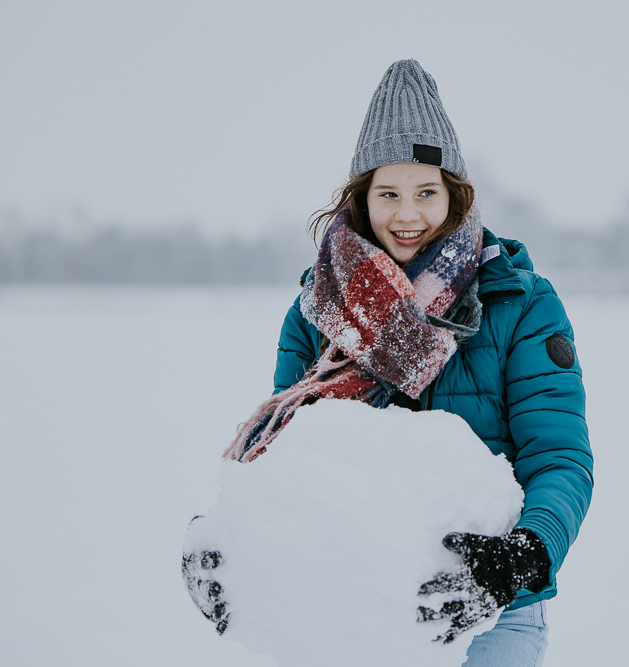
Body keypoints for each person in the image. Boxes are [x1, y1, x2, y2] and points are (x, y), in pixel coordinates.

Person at [186, 59, 592, 667]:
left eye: (427, 192)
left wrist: (526, 552)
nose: (408, 215)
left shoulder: (520, 303)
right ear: (361, 198)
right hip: (349, 606)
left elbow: (560, 457)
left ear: (455, 194)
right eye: (389, 194)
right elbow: (283, 462)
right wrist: (226, 543)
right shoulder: (317, 313)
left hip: (488, 609)